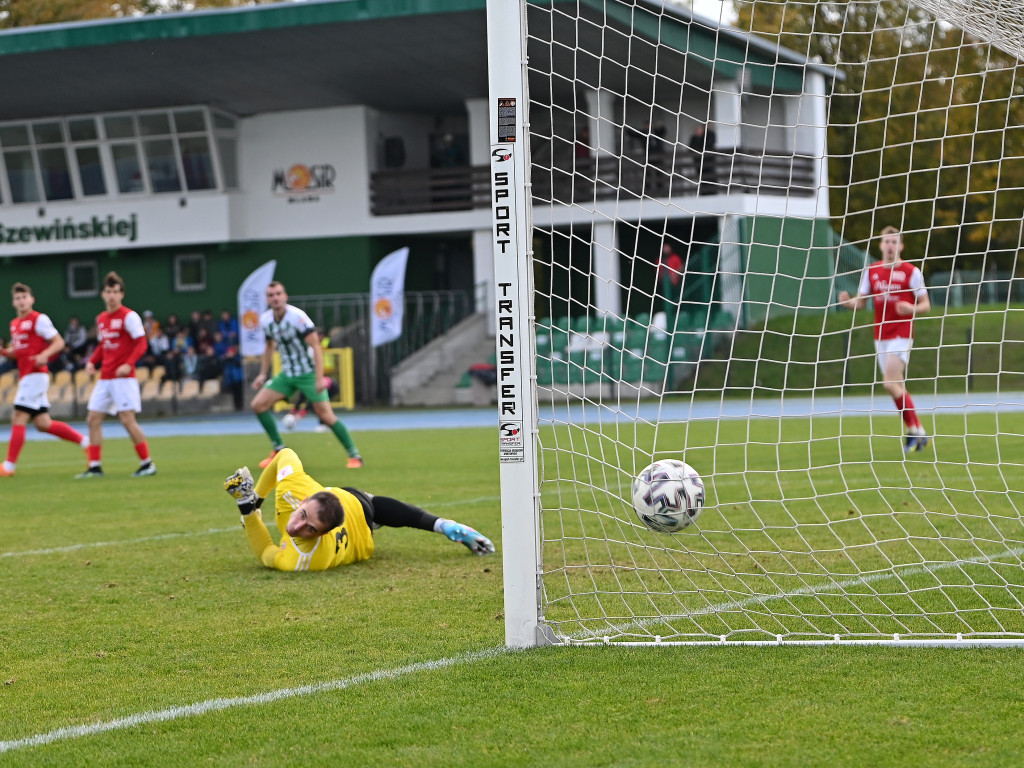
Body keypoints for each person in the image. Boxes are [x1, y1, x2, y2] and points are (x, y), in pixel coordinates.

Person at [223, 449, 494, 572]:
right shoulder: (293, 489)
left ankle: (444, 525)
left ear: (322, 534)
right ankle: (443, 525)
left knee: (371, 510)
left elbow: (265, 552)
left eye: (310, 529)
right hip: (348, 497)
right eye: (303, 515)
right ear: (306, 499)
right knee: (371, 503)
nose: (296, 527)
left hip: (360, 530)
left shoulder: (305, 560)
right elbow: (284, 454)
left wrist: (248, 509)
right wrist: (256, 499)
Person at [838, 226, 932, 453]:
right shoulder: (872, 271)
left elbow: (926, 305)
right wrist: (848, 302)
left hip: (901, 334)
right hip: (880, 335)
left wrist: (911, 307)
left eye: (894, 242)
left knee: (889, 383)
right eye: (886, 242)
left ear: (901, 246)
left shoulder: (911, 272)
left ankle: (914, 430)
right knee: (896, 386)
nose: (890, 246)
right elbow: (861, 303)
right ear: (880, 245)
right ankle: (918, 430)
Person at [251, 281, 362, 469]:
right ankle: (278, 450)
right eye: (271, 295)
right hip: (287, 374)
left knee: (325, 415)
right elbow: (269, 346)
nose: (275, 298)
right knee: (258, 405)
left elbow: (316, 346)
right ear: (267, 299)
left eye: (278, 293)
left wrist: (319, 378)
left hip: (308, 373)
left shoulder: (298, 317)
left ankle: (355, 456)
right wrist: (263, 374)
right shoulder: (266, 320)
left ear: (285, 296)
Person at [0, 283, 90, 477]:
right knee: (43, 423)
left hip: (36, 375)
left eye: (24, 297)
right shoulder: (14, 324)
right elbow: (20, 351)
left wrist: (44, 355)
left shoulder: (39, 319)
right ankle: (84, 441)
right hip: (27, 376)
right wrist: (6, 352)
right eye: (17, 298)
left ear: (32, 299)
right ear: (13, 302)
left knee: (18, 416)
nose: (21, 301)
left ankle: (8, 466)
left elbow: (59, 342)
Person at [76, 271, 157, 478]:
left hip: (123, 378)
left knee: (127, 420)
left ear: (122, 294)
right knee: (93, 418)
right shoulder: (101, 318)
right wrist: (92, 362)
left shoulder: (129, 316)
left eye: (115, 292)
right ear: (102, 294)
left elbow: (141, 343)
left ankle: (147, 463)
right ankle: (94, 467)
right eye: (108, 291)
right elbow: (105, 345)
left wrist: (129, 364)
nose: (111, 295)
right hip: (106, 377)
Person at [657, 242, 684, 332]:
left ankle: (677, 320)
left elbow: (681, 268)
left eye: (667, 247)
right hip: (664, 285)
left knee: (675, 303)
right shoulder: (660, 260)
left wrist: (674, 274)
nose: (666, 249)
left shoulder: (675, 258)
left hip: (674, 284)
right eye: (664, 248)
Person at [689, 122, 718, 193]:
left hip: (708, 162)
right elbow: (690, 149)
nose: (698, 131)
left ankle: (712, 191)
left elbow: (709, 146)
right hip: (699, 163)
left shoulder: (707, 136)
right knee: (702, 178)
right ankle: (704, 192)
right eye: (697, 130)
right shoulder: (694, 138)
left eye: (699, 130)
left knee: (711, 177)